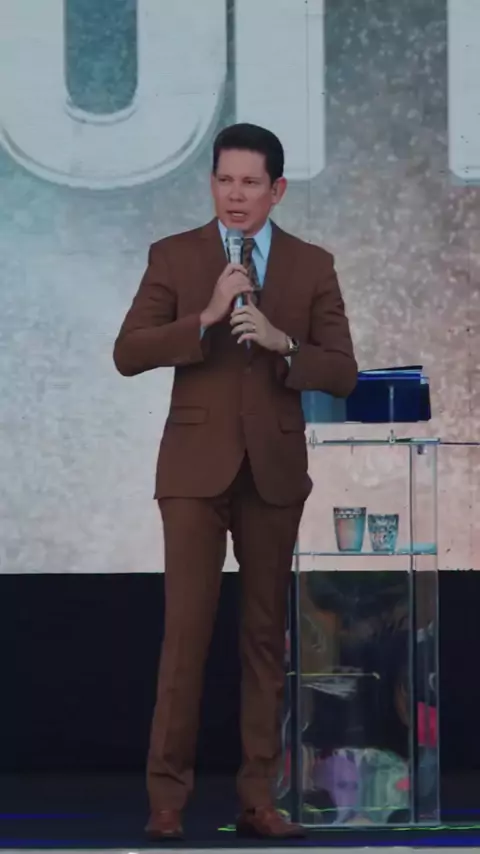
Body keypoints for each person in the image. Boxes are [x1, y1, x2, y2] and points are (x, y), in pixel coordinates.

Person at [113, 123, 357, 840]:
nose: (235, 195)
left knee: (264, 639)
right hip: (193, 470)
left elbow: (343, 371)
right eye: (224, 180)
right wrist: (206, 317)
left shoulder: (311, 265)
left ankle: (259, 798)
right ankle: (167, 800)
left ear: (277, 189)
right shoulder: (175, 255)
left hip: (272, 471)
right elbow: (128, 352)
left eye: (250, 183)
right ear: (212, 183)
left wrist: (287, 345)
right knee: (185, 635)